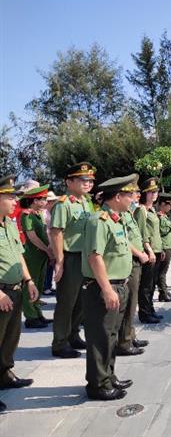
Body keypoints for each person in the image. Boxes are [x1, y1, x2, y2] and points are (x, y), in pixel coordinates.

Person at [81, 174, 138, 401]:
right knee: (100, 337)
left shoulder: (116, 219)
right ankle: (97, 385)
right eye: (129, 195)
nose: (133, 199)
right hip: (103, 289)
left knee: (111, 336)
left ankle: (108, 376)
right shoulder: (99, 221)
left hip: (119, 286)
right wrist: (106, 289)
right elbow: (95, 257)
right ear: (117, 197)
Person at [0, 175, 39, 413]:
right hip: (1, 292)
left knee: (11, 338)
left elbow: (18, 255)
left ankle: (4, 374)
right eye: (10, 197)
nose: (15, 201)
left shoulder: (10, 223)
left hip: (15, 290)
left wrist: (29, 280)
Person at [50, 162, 96, 358]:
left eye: (90, 180)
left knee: (82, 301)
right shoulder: (64, 204)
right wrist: (59, 261)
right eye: (83, 180)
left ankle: (73, 335)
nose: (88, 184)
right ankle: (60, 343)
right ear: (69, 182)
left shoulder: (87, 202)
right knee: (66, 302)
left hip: (86, 257)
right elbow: (56, 232)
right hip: (71, 258)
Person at [115, 187, 149, 356]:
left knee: (132, 302)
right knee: (129, 304)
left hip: (135, 260)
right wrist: (140, 254)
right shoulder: (119, 214)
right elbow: (125, 241)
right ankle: (124, 341)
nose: (137, 195)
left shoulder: (129, 212)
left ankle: (130, 335)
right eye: (133, 193)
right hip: (131, 260)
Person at [20, 185, 53, 328]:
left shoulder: (38, 215)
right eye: (43, 199)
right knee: (31, 285)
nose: (46, 201)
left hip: (41, 255)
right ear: (35, 200)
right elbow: (32, 237)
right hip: (33, 256)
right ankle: (31, 316)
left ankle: (38, 313)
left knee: (39, 284)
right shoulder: (27, 215)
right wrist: (47, 249)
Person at [134, 178, 163, 323]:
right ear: (144, 194)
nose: (154, 194)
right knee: (146, 285)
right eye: (151, 192)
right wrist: (149, 250)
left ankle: (151, 309)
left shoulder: (152, 210)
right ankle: (145, 313)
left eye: (156, 191)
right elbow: (141, 233)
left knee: (152, 284)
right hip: (148, 251)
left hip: (156, 250)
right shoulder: (141, 210)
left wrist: (160, 249)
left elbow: (155, 233)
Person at [156, 193, 171, 302]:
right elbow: (162, 231)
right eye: (170, 205)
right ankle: (163, 293)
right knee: (162, 272)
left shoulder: (164, 215)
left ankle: (164, 291)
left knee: (164, 271)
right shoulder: (159, 216)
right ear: (163, 204)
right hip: (164, 246)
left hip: (168, 245)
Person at [43, 191, 58, 296]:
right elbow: (47, 230)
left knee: (51, 265)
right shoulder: (44, 213)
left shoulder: (51, 212)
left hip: (51, 241)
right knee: (48, 265)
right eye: (51, 201)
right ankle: (45, 287)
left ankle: (48, 285)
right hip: (48, 241)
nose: (53, 203)